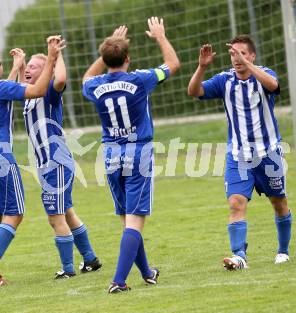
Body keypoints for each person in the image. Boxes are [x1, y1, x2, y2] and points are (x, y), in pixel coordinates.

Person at [82, 18, 180, 293]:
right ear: (128, 58)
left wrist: (105, 51)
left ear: (105, 58)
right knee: (134, 221)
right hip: (138, 152)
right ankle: (118, 280)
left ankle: (147, 272)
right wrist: (160, 36)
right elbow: (172, 65)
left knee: (127, 220)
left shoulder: (96, 85)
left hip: (111, 154)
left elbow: (86, 78)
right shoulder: (139, 79)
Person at [187, 35, 292, 270]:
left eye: (242, 53)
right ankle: (239, 256)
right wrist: (202, 67)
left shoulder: (264, 74)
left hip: (269, 154)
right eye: (233, 54)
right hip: (238, 156)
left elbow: (274, 86)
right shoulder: (224, 81)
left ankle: (283, 251)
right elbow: (194, 91)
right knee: (236, 203)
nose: (237, 59)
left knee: (279, 202)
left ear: (252, 55)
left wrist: (249, 66)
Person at [0, 36, 65, 286]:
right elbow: (37, 90)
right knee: (15, 214)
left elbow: (1, 88)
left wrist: (16, 67)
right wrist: (51, 58)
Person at [8, 38, 101, 279]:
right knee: (67, 212)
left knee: (55, 217)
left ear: (46, 72)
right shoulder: (30, 95)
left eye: (34, 67)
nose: (29, 69)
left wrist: (55, 56)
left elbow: (60, 79)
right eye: (28, 67)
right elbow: (19, 87)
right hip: (48, 166)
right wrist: (19, 65)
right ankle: (90, 259)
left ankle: (68, 270)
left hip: (56, 164)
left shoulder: (49, 91)